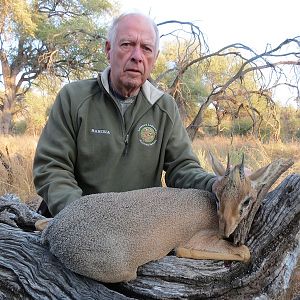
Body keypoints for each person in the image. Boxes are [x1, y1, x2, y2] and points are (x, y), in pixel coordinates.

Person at [33, 12, 216, 217]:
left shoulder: (164, 107)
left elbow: (183, 169)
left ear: (154, 58)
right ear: (109, 50)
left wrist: (217, 185)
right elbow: (52, 167)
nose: (137, 56)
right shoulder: (73, 98)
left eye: (146, 48)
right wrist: (78, 216)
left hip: (138, 226)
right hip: (80, 217)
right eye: (127, 44)